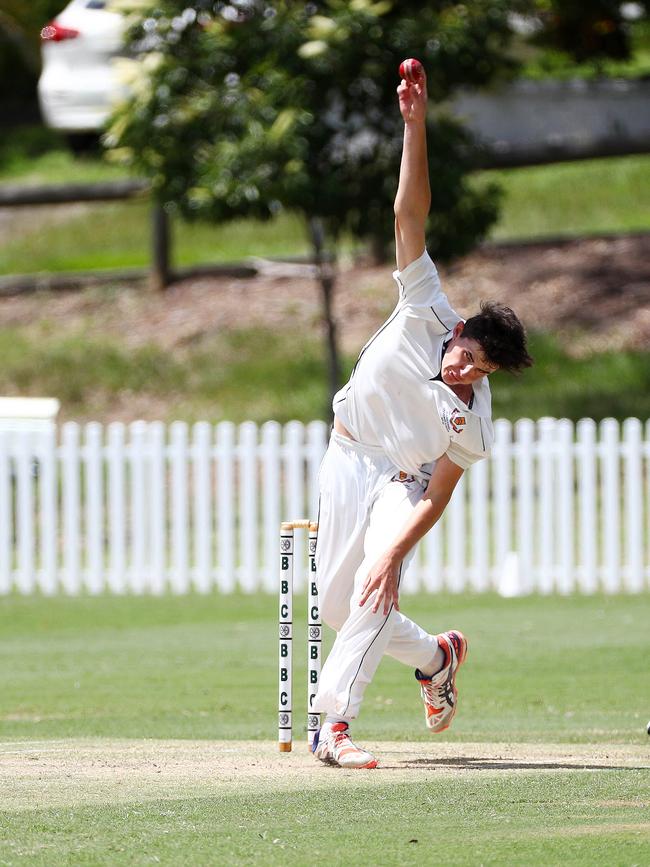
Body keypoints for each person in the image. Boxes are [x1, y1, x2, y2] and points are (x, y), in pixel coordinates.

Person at [311, 64, 533, 769]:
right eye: (468, 354)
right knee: (336, 608)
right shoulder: (424, 306)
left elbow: (437, 495)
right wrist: (414, 126)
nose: (465, 369)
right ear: (459, 328)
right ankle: (439, 656)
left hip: (401, 484)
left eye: (481, 369)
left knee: (374, 587)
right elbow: (410, 215)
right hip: (348, 452)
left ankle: (333, 726)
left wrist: (394, 551)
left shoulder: (473, 420)